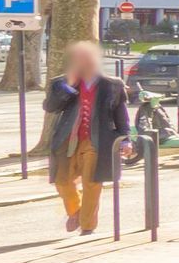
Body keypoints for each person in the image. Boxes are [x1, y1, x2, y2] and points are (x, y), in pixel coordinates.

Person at [42, 39, 134, 235]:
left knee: (92, 182)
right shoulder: (60, 83)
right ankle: (75, 211)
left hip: (98, 140)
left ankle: (87, 225)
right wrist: (69, 86)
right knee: (62, 180)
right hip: (67, 141)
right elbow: (50, 107)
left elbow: (121, 117)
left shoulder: (112, 85)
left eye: (87, 57)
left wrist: (126, 139)